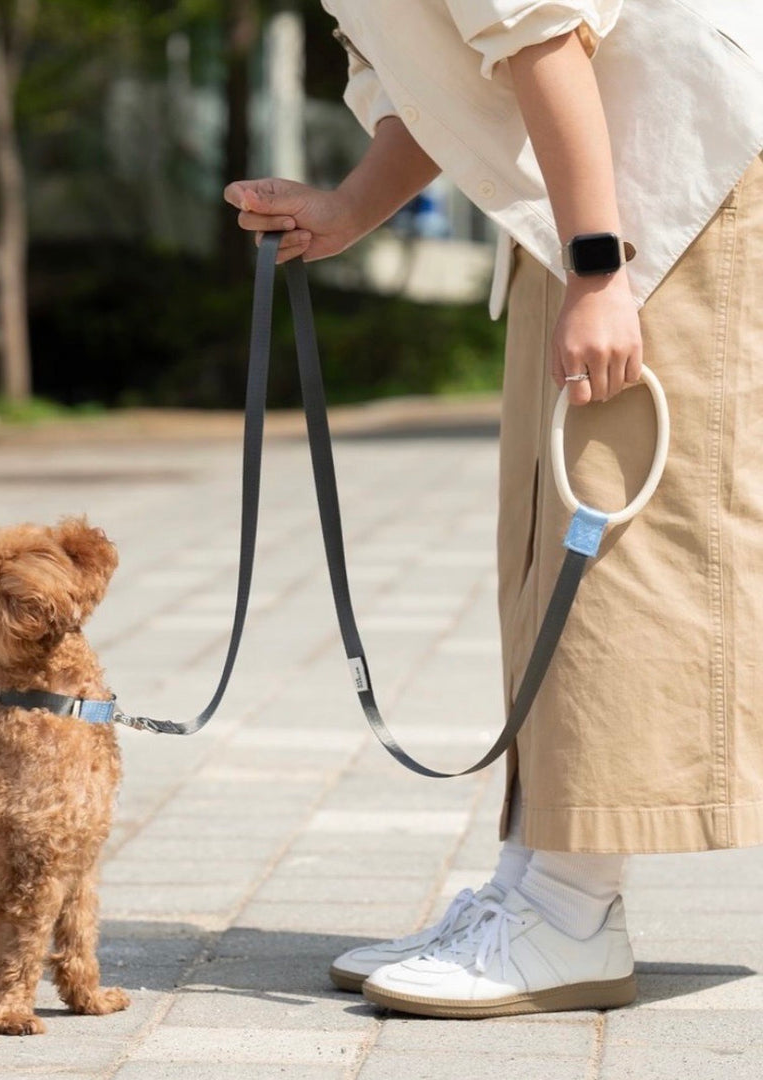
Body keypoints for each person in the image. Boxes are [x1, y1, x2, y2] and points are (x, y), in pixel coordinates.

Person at [224, 1, 763, 1019]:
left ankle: (571, 909)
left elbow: (542, 33)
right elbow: (451, 82)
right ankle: (534, 880)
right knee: (547, 529)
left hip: (663, 172)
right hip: (590, 189)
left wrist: (601, 270)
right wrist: (348, 208)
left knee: (610, 534)